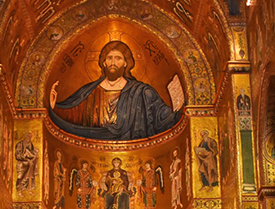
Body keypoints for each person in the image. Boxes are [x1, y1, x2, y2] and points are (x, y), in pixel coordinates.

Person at [48, 40, 183, 141]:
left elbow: (163, 118)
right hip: (92, 150)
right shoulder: (89, 91)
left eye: (118, 58)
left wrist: (179, 109)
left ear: (125, 63)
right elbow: (71, 115)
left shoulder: (142, 92)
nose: (113, 62)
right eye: (109, 58)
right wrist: (55, 107)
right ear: (104, 62)